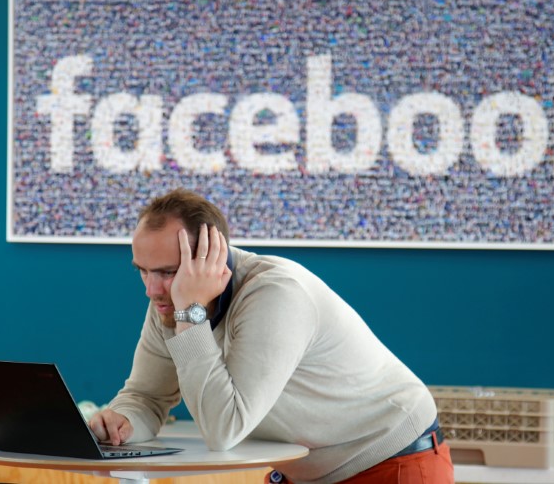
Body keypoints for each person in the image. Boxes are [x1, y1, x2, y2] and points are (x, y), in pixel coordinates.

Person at [89, 188, 454, 484]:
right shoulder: (171, 304)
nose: (151, 290)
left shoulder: (275, 294)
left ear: (209, 258)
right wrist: (121, 422)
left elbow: (223, 430)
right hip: (305, 471)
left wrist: (190, 312)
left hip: (389, 460)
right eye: (143, 271)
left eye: (166, 272)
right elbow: (147, 397)